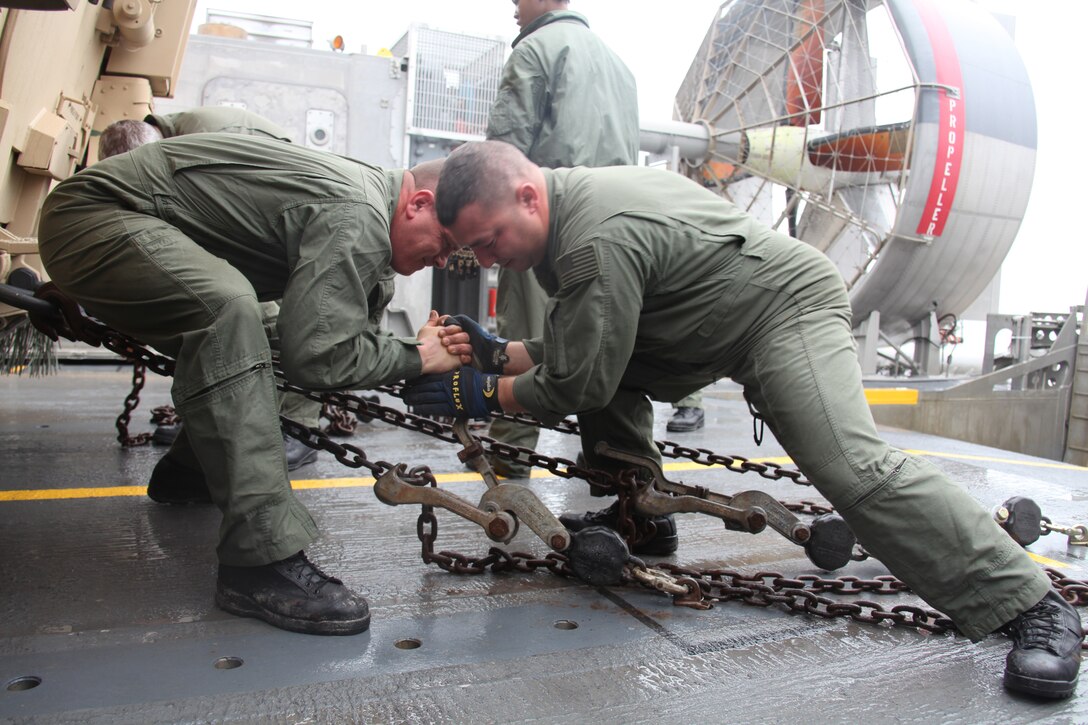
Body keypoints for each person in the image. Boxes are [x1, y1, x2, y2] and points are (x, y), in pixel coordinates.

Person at [407, 139, 1082, 700]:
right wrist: (499, 352)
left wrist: (480, 394)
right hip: (704, 326)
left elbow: (580, 376)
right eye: (477, 251)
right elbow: (596, 339)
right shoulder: (566, 212)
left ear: (527, 196)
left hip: (781, 313)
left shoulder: (592, 238)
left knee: (851, 466)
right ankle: (643, 516)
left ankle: (1030, 604)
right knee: (607, 384)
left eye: (491, 242)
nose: (490, 261)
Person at [37, 133, 471, 636]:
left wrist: (411, 354)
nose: (442, 262)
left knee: (261, 329)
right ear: (418, 204)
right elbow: (319, 358)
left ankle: (190, 471)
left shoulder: (368, 209)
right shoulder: (359, 213)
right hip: (93, 218)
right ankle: (259, 558)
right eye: (447, 244)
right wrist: (419, 358)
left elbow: (328, 336)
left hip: (131, 222)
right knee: (226, 312)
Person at [98, 110, 321, 471]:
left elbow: (230, 218)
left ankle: (300, 430)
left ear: (153, 153)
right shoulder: (170, 143)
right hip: (250, 215)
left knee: (275, 322)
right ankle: (207, 426)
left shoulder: (204, 146)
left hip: (287, 219)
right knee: (208, 312)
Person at [482, 0, 639, 479]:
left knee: (526, 331)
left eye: (516, 0)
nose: (512, 7)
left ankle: (511, 456)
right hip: (615, 225)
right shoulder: (620, 66)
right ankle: (622, 470)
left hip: (544, 219)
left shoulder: (534, 51)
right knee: (607, 344)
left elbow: (501, 160)